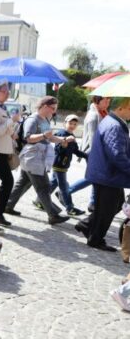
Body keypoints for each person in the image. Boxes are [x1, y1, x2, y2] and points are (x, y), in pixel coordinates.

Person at [3, 96, 70, 225]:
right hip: (33, 157)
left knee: (23, 183)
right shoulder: (33, 120)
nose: (54, 111)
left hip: (35, 157)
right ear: (44, 106)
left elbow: (48, 138)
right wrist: (44, 135)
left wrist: (62, 140)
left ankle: (8, 205)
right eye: (53, 108)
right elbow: (28, 138)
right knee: (44, 186)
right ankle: (53, 215)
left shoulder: (44, 119)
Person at [75, 97, 130, 252]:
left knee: (114, 204)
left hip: (107, 174)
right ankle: (95, 239)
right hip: (108, 175)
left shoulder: (113, 122)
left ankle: (87, 225)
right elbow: (117, 154)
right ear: (121, 108)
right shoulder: (114, 125)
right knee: (106, 208)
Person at [0, 83, 19, 227]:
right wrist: (10, 121)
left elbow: (5, 130)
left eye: (8, 91)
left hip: (4, 151)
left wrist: (13, 132)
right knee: (7, 182)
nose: (7, 94)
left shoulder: (3, 108)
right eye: (4, 91)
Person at [47, 114, 88, 216]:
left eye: (75, 124)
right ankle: (70, 208)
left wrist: (87, 156)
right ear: (65, 123)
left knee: (53, 183)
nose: (72, 125)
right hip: (59, 164)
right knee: (64, 188)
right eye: (70, 123)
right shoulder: (61, 134)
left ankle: (39, 200)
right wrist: (64, 144)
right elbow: (58, 150)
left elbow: (75, 150)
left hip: (64, 165)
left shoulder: (72, 136)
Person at [78, 95, 110, 212]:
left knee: (96, 178)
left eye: (109, 100)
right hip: (93, 151)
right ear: (97, 101)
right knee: (94, 177)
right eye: (105, 100)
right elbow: (93, 138)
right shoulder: (94, 115)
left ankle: (93, 202)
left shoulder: (103, 113)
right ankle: (67, 190)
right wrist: (101, 154)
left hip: (99, 151)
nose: (108, 102)